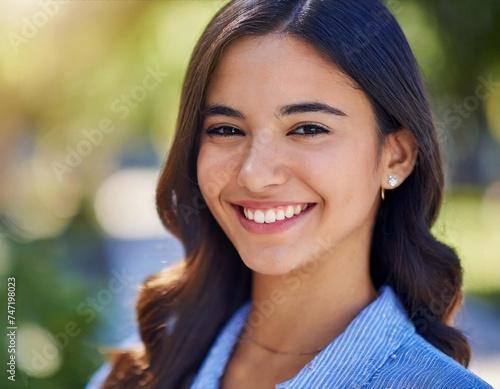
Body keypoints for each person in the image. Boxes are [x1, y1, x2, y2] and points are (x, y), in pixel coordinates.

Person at [87, 0, 494, 388]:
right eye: (226, 130)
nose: (255, 175)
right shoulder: (133, 375)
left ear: (397, 157)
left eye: (307, 128)